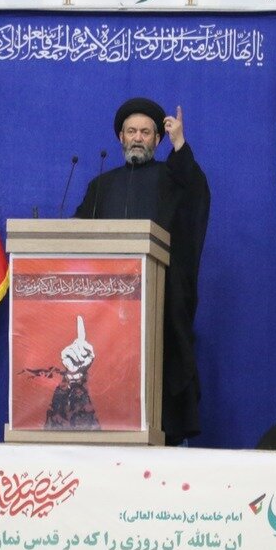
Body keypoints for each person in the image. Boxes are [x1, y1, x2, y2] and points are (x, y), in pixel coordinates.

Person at [74, 97, 210, 446]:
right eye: (131, 131)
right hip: (104, 314)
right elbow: (77, 235)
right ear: (120, 137)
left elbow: (197, 193)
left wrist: (181, 145)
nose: (138, 138)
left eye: (146, 132)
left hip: (157, 308)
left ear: (157, 139)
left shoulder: (173, 179)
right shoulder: (100, 186)